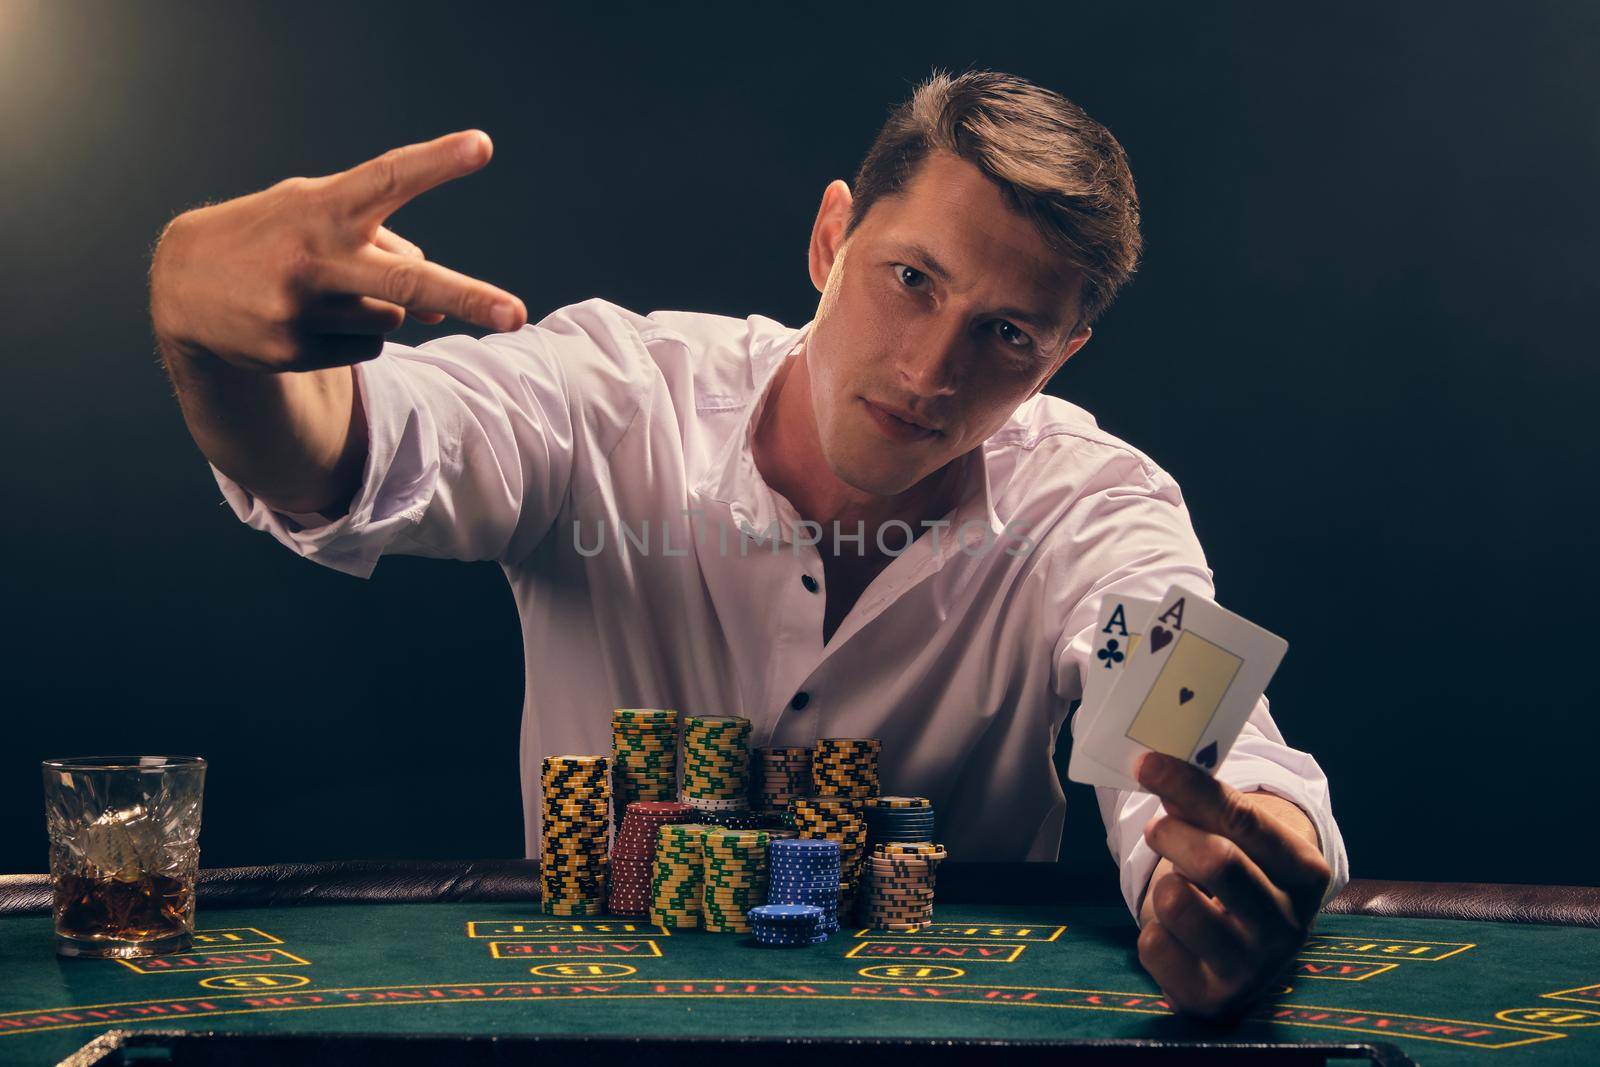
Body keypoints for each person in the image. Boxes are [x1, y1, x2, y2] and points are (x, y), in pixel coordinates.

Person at [149, 68, 1347, 1018]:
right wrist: (210, 341)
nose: (931, 372)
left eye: (1007, 335)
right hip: (583, 1029)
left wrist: (1239, 849)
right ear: (831, 239)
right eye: (910, 278)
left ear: (1063, 357)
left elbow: (1201, 727)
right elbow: (343, 450)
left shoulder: (1102, 503)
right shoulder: (611, 391)